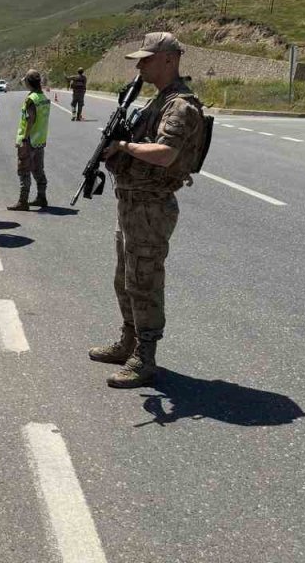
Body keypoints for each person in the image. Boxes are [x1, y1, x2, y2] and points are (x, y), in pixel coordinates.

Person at [90, 32, 205, 388]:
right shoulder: (158, 101)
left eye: (146, 59)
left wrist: (124, 146)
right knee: (125, 279)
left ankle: (145, 355)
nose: (140, 66)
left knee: (144, 281)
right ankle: (128, 340)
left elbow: (166, 154)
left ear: (169, 59)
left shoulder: (180, 106)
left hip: (151, 207)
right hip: (131, 203)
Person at [7, 69, 49, 211]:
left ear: (28, 82)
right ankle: (41, 197)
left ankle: (23, 201)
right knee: (38, 169)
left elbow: (30, 119)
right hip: (40, 140)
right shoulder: (43, 97)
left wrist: (23, 139)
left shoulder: (31, 99)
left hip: (29, 140)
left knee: (24, 170)